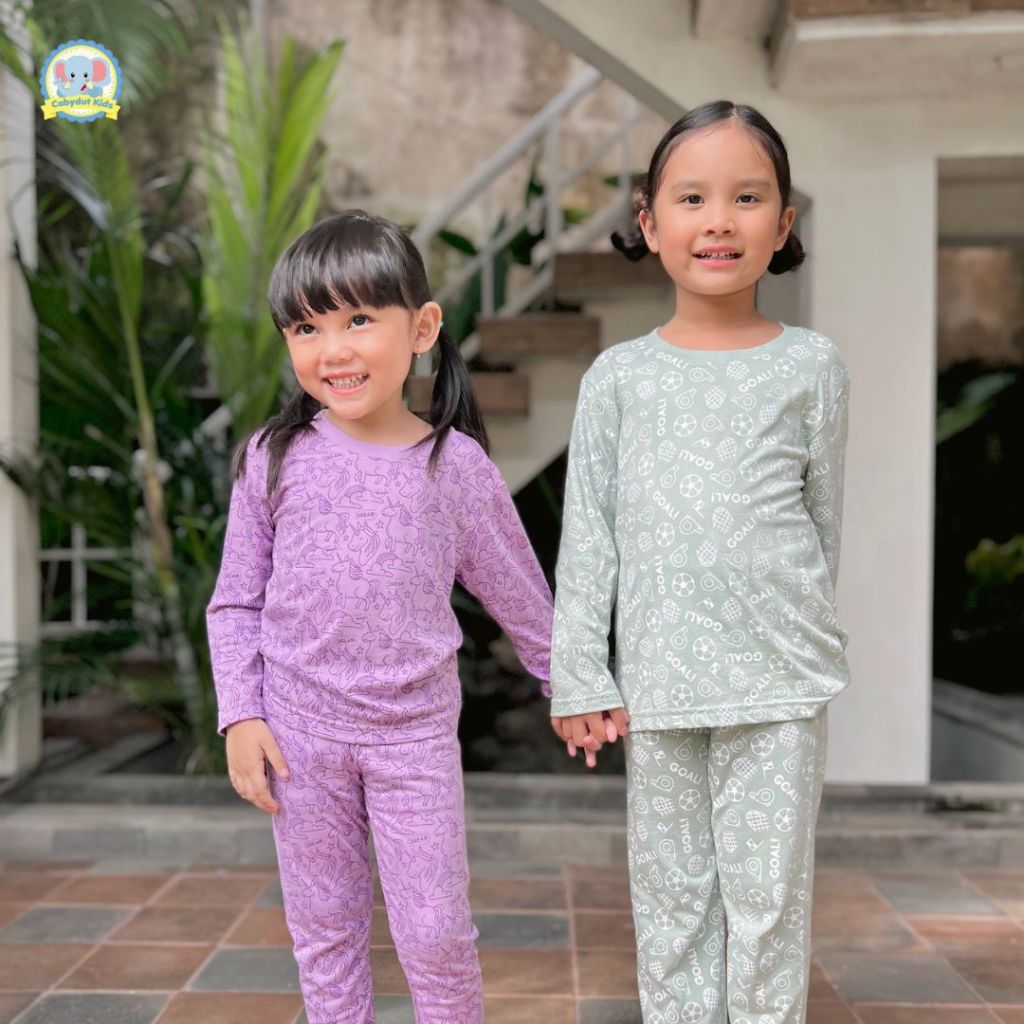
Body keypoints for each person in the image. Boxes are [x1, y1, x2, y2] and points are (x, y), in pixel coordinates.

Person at [206, 210, 554, 1024]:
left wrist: (571, 686)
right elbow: (236, 600)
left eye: (359, 320)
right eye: (306, 327)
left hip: (413, 739)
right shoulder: (273, 457)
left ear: (422, 328)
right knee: (325, 932)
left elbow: (520, 594)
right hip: (298, 737)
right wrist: (241, 714)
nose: (333, 349)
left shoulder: (453, 466)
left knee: (435, 935)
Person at [549, 101, 851, 1024]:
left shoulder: (812, 365)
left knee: (769, 900)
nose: (719, 220)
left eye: (747, 198)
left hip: (777, 681)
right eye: (692, 198)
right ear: (649, 222)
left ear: (783, 224)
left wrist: (803, 638)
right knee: (673, 899)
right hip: (661, 681)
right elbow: (589, 534)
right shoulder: (618, 377)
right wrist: (580, 674)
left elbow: (822, 523)